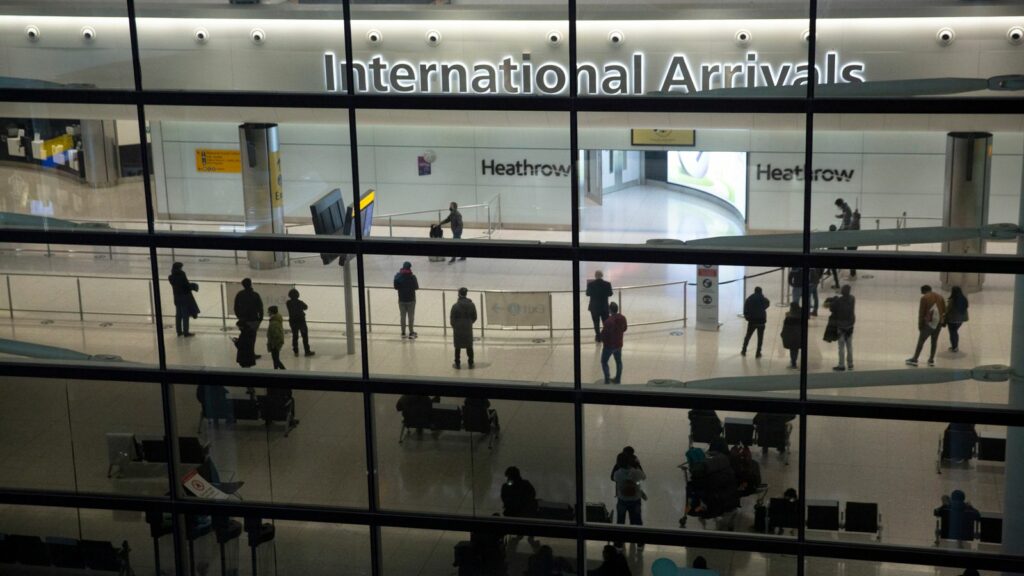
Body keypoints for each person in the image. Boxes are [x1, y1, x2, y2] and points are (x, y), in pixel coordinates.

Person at [612, 452, 646, 550]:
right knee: (637, 520)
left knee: (620, 521)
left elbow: (614, 479)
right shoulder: (636, 472)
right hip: (635, 500)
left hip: (622, 500)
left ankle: (619, 544)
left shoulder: (617, 473)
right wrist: (638, 466)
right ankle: (639, 542)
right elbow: (643, 477)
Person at [906, 285, 946, 366]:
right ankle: (931, 359)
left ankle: (915, 359)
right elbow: (944, 310)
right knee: (934, 341)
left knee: (921, 341)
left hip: (928, 323)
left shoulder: (924, 298)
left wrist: (920, 325)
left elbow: (922, 312)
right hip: (938, 323)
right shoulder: (940, 297)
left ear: (924, 291)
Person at [233, 278, 263, 368]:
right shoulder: (255, 295)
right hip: (253, 320)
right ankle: (251, 354)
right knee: (252, 338)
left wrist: (239, 317)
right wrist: (259, 319)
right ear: (250, 284)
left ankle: (247, 354)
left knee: (244, 337)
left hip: (243, 320)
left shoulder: (240, 294)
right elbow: (260, 308)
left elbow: (236, 307)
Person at [167, 262, 198, 337]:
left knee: (178, 315)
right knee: (185, 315)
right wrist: (194, 286)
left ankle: (179, 331)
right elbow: (186, 285)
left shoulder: (170, 277)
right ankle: (186, 332)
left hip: (177, 298)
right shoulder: (182, 274)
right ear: (179, 268)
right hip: (184, 297)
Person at [600, 302, 628, 384]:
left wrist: (602, 339)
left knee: (604, 361)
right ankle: (618, 379)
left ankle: (607, 379)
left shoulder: (608, 321)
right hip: (619, 344)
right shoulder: (623, 318)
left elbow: (604, 334)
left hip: (609, 346)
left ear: (610, 310)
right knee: (618, 362)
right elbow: (625, 328)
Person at [450, 287, 477, 369]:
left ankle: (457, 363)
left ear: (459, 294)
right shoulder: (471, 305)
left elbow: (452, 319)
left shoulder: (455, 306)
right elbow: (475, 317)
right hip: (467, 328)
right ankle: (471, 363)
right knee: (469, 346)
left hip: (458, 328)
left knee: (457, 347)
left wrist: (455, 326)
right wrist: (469, 323)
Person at [830, 284, 855, 371]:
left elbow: (832, 308)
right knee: (849, 346)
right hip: (850, 326)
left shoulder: (839, 301)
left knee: (841, 347)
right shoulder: (852, 299)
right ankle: (850, 363)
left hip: (841, 326)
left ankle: (841, 365)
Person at [741, 286, 770, 358]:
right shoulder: (763, 299)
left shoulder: (749, 299)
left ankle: (744, 350)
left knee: (748, 336)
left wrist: (747, 318)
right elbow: (767, 303)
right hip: (761, 321)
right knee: (760, 338)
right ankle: (758, 353)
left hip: (752, 321)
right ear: (761, 291)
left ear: (754, 291)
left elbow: (745, 309)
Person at [586, 270, 614, 342]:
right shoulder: (607, 284)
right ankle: (605, 335)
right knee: (605, 323)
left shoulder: (590, 284)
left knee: (596, 323)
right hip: (604, 307)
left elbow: (588, 294)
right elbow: (610, 294)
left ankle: (598, 337)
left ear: (595, 275)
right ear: (602, 275)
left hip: (594, 307)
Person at [393, 261, 419, 339]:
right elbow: (416, 287)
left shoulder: (398, 276)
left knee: (402, 316)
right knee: (411, 316)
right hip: (411, 300)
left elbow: (396, 287)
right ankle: (411, 331)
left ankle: (403, 332)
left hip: (401, 299)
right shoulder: (412, 277)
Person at [286, 288, 314, 357]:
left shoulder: (288, 303)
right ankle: (307, 351)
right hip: (301, 321)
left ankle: (296, 351)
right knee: (304, 337)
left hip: (293, 321)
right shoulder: (300, 302)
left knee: (295, 336)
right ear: (297, 295)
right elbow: (306, 307)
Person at [835, 198, 856, 279]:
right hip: (848, 234)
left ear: (840, 204)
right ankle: (852, 273)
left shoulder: (846, 209)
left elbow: (846, 221)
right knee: (850, 253)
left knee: (850, 254)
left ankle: (852, 274)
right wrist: (839, 216)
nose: (838, 207)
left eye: (838, 206)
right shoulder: (845, 208)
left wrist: (841, 230)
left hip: (848, 235)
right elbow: (845, 217)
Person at [946, 286, 969, 353]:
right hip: (961, 320)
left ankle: (954, 347)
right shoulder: (964, 299)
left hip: (952, 319)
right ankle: (955, 346)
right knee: (955, 332)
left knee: (953, 333)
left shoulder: (952, 300)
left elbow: (948, 309)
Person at [781, 303, 802, 369]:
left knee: (792, 349)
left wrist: (782, 334)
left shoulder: (789, 318)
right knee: (795, 349)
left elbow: (785, 328)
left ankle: (793, 363)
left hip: (791, 336)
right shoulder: (801, 316)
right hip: (799, 335)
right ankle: (794, 361)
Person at [266, 305, 285, 370]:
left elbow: (276, 335)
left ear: (271, 312)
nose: (268, 313)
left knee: (276, 359)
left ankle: (283, 370)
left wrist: (273, 344)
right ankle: (276, 370)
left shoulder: (274, 322)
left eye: (268, 311)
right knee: (275, 359)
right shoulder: (276, 320)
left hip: (275, 343)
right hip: (277, 343)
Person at [826, 225, 841, 289]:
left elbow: (829, 247)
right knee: (834, 271)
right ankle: (828, 271)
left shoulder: (829, 236)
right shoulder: (837, 236)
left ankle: (837, 284)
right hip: (837, 256)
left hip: (832, 257)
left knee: (834, 272)